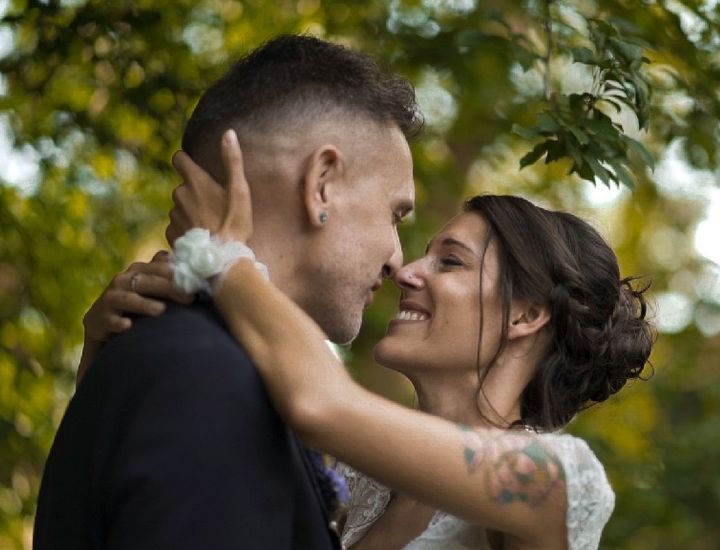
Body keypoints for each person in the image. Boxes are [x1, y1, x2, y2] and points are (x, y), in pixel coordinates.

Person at [79, 131, 655, 548]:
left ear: (526, 315)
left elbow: (319, 403)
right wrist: (103, 353)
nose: (406, 271)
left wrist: (222, 253)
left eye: (449, 263)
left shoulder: (552, 481)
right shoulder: (360, 484)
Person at [33, 34, 422, 550]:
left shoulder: (198, 362)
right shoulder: (201, 374)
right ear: (322, 184)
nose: (397, 260)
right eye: (394, 214)